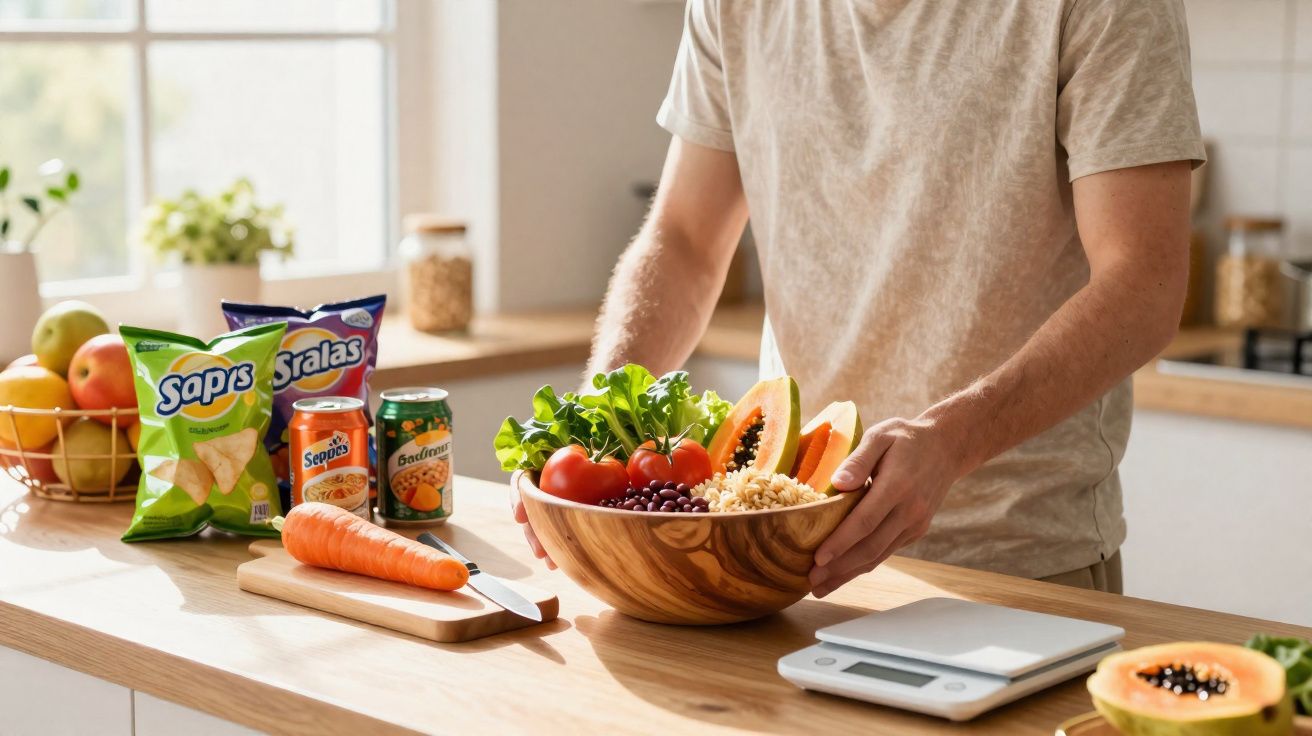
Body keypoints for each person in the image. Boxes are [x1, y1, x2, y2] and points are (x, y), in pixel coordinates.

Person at [514, 0, 1204, 596]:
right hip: (787, 556)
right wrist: (593, 428)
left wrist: (952, 441)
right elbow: (686, 240)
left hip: (1016, 567)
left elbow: (1143, 280)